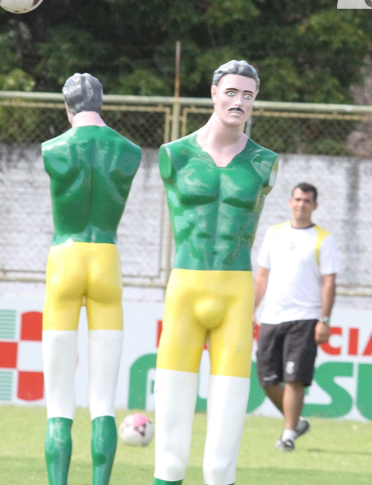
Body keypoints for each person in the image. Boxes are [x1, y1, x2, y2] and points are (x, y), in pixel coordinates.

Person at [153, 60, 278, 485]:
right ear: (213, 93)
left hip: (235, 294)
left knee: (222, 460)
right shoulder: (175, 154)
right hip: (185, 291)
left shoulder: (265, 162)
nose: (239, 101)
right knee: (169, 455)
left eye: (248, 94)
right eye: (231, 92)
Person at [42, 73, 142, 485]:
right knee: (103, 400)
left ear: (67, 107)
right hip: (106, 258)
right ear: (102, 103)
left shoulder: (53, 149)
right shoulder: (129, 151)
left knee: (58, 403)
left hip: (64, 258)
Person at [253, 182, 339, 452]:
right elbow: (262, 276)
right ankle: (296, 422)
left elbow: (329, 283)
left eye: (307, 201)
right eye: (298, 199)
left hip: (305, 318)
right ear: (290, 202)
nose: (301, 204)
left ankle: (288, 434)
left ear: (315, 206)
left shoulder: (324, 239)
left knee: (294, 379)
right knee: (266, 380)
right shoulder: (273, 233)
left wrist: (324, 321)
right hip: (271, 317)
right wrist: (250, 311)